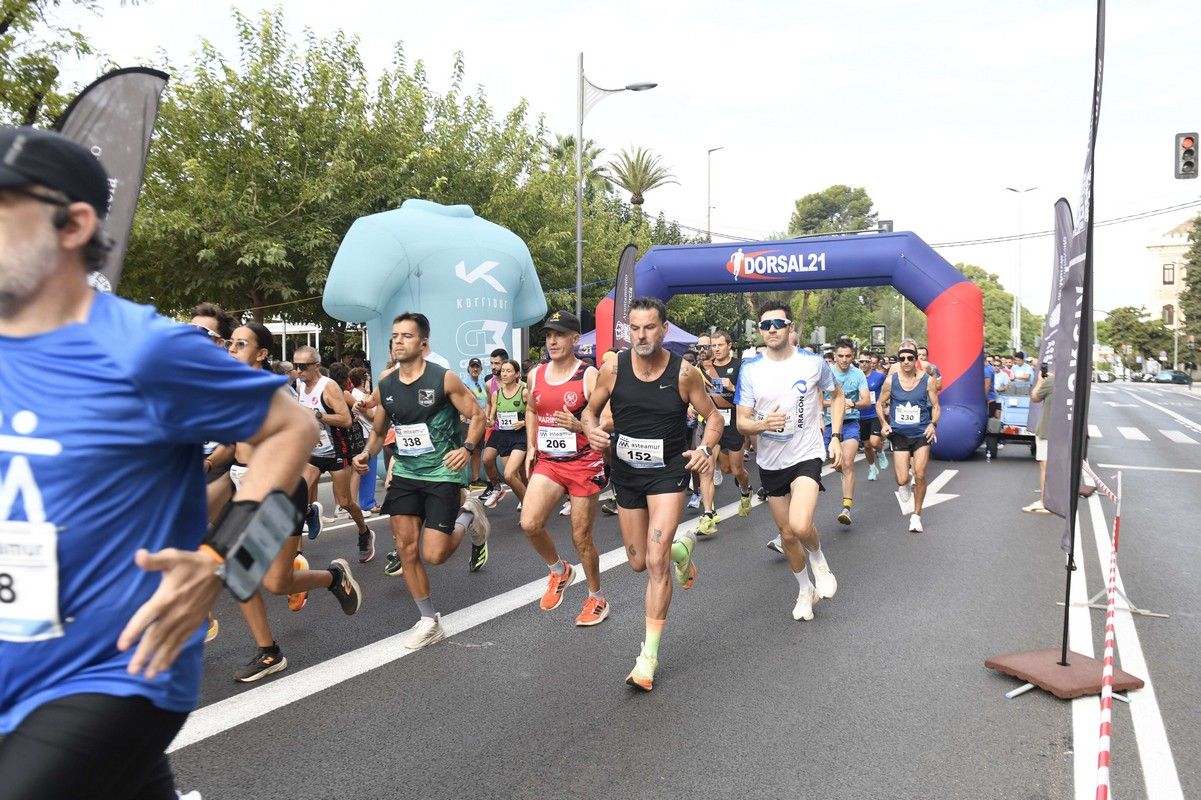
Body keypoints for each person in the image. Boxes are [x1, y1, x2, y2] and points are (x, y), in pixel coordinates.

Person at [0, 126, 316, 799]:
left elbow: (295, 429)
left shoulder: (145, 350)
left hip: (115, 670)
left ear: (72, 223)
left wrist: (228, 564)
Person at [582, 297, 722, 690]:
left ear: (663, 330)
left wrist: (705, 449)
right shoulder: (613, 368)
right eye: (635, 328)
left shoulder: (684, 373)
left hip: (668, 473)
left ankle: (648, 658)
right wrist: (591, 429)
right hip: (627, 475)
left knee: (655, 561)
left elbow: (713, 416)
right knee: (639, 562)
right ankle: (682, 550)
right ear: (628, 331)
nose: (641, 336)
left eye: (649, 328)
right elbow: (589, 411)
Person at [222, 323, 362, 682]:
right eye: (231, 343)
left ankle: (271, 652)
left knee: (254, 577)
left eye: (242, 344)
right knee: (264, 580)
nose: (233, 349)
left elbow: (307, 430)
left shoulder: (271, 392)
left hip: (277, 491)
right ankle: (330, 581)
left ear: (262, 354)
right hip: (242, 486)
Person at [353, 312, 490, 648]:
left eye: (406, 336)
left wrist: (467, 447)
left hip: (442, 472)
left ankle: (469, 513)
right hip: (406, 472)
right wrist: (365, 454)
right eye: (395, 336)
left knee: (435, 554)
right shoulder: (386, 384)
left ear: (423, 344)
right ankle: (429, 620)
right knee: (405, 546)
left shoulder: (443, 379)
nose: (398, 341)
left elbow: (477, 415)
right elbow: (381, 430)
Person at [736, 303, 843, 621]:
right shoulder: (751, 369)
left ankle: (819, 558)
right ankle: (803, 590)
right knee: (786, 534)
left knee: (799, 524)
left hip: (806, 454)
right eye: (765, 324)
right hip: (770, 462)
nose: (771, 329)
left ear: (789, 327)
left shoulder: (812, 363)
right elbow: (742, 422)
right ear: (759, 330)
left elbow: (836, 395)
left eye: (777, 323)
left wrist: (835, 435)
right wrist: (762, 425)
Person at [520, 311, 611, 626]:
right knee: (529, 523)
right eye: (548, 335)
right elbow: (532, 409)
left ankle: (596, 597)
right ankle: (559, 570)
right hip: (549, 461)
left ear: (576, 338)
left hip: (584, 463)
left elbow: (607, 420)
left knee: (581, 536)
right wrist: (532, 445)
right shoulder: (536, 374)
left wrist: (580, 425)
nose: (552, 341)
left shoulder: (588, 376)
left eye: (559, 335)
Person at [293, 345, 375, 563]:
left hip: (338, 450)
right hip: (313, 449)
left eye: (303, 366)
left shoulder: (328, 387)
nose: (298, 371)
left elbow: (346, 420)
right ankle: (297, 553)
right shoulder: (301, 386)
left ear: (316, 366)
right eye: (295, 366)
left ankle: (364, 532)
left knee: (345, 501)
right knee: (297, 495)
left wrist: (318, 415)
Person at [877, 344, 941, 533]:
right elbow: (879, 404)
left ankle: (916, 516)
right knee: (901, 478)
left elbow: (936, 406)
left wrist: (933, 424)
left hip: (921, 433)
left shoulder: (927, 380)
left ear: (916, 360)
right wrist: (884, 424)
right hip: (899, 435)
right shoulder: (891, 381)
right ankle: (904, 483)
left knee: (920, 475)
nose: (906, 362)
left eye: (910, 358)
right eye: (902, 358)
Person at [697, 330, 755, 530]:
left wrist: (731, 388)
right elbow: (697, 392)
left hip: (733, 423)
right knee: (707, 469)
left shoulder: (740, 366)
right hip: (712, 421)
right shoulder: (704, 367)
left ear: (729, 345)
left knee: (734, 469)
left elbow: (750, 395)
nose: (716, 349)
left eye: (720, 345)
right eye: (713, 346)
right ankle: (708, 513)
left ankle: (746, 491)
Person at [824, 339, 870, 525]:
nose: (844, 360)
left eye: (848, 356)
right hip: (828, 424)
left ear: (853, 356)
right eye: (840, 356)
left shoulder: (858, 374)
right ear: (835, 356)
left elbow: (866, 401)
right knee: (836, 464)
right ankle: (843, 470)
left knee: (848, 462)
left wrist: (853, 403)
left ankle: (846, 508)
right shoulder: (826, 373)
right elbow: (817, 401)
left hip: (850, 423)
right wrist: (836, 403)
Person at [481, 359, 528, 510]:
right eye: (503, 371)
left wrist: (524, 422)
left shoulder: (524, 392)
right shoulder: (496, 394)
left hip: (520, 437)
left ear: (517, 374)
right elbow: (492, 416)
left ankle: (529, 506)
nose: (505, 374)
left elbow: (535, 414)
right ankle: (527, 502)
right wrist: (488, 420)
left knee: (509, 474)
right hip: (503, 437)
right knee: (512, 477)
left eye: (509, 371)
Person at [1022, 365, 1054, 513]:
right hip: (1064, 432)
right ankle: (1058, 501)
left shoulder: (1051, 381)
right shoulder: (1072, 383)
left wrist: (1040, 381)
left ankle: (1044, 502)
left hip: (1047, 429)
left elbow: (1035, 397)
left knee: (1045, 468)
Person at [859, 350, 888, 481]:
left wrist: (886, 404)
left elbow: (888, 390)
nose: (864, 364)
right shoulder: (855, 376)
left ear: (871, 362)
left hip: (874, 414)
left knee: (875, 442)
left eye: (867, 361)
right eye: (861, 361)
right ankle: (872, 468)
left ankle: (880, 452)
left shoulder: (879, 377)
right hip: (859, 416)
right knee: (866, 446)